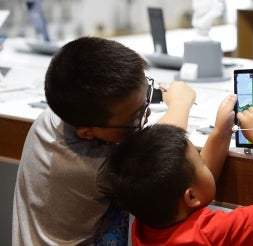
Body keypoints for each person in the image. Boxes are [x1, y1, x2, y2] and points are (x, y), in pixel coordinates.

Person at [12, 36, 196, 245]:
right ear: (87, 133)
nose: (147, 113)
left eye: (147, 93)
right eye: (135, 116)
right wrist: (180, 103)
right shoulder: (95, 167)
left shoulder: (53, 115)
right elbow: (162, 163)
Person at [109, 105, 253, 245]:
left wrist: (220, 133)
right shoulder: (209, 232)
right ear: (191, 196)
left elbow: (193, 182)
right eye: (201, 161)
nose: (205, 163)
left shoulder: (145, 223)